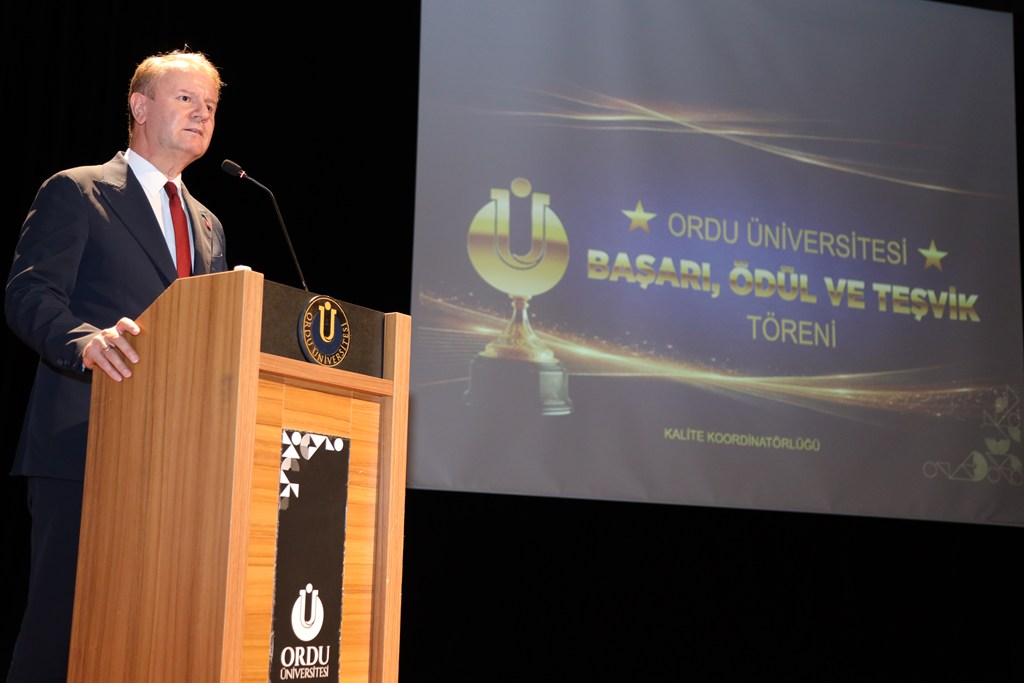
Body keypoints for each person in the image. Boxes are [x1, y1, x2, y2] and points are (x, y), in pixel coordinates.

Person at [4, 48, 227, 682]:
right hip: (87, 443)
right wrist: (84, 341)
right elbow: (29, 293)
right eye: (186, 98)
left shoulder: (208, 224)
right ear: (139, 106)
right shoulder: (78, 191)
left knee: (146, 635)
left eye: (210, 105)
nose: (202, 113)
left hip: (178, 461)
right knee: (65, 630)